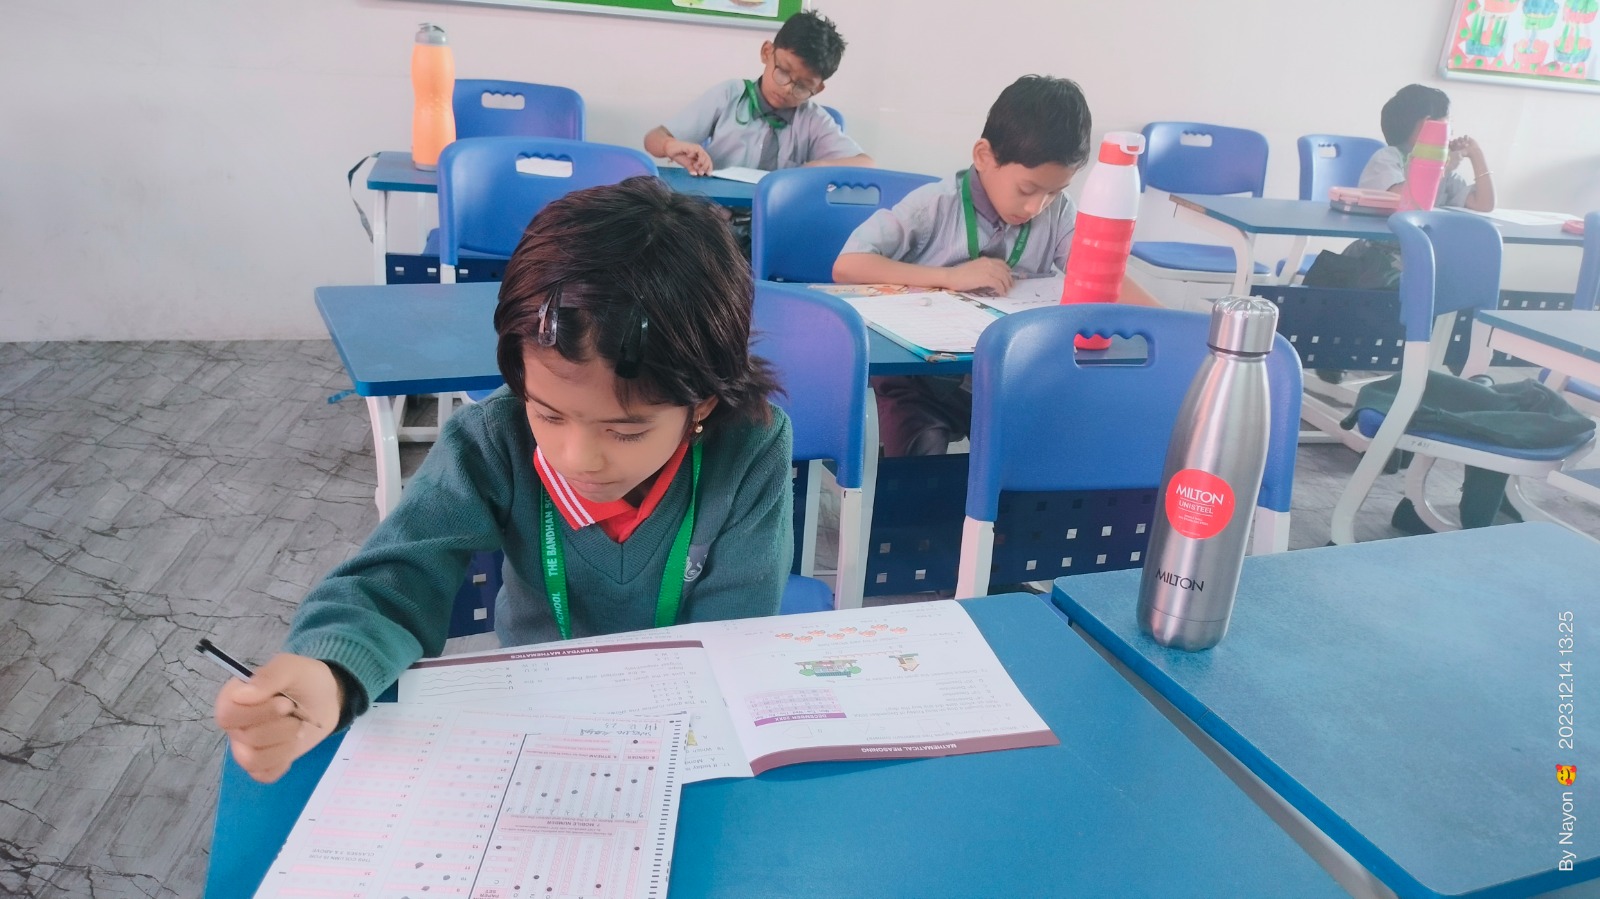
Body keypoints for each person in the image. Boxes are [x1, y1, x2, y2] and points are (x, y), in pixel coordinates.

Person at [216, 177, 794, 783]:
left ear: (702, 403)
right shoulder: (493, 440)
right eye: (548, 413)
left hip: (683, 722)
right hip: (534, 707)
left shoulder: (750, 448)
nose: (578, 457)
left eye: (625, 431)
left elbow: (731, 636)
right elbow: (398, 575)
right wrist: (330, 670)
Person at [832, 74, 1156, 456]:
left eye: (1055, 192)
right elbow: (848, 265)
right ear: (984, 156)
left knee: (1053, 438)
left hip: (1004, 376)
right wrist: (948, 277)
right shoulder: (933, 205)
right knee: (921, 449)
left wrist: (1170, 326)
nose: (1037, 206)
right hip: (919, 380)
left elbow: (1103, 275)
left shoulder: (1058, 215)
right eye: (1027, 189)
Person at [643, 10, 873, 176]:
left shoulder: (813, 120)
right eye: (783, 72)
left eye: (802, 86)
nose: (787, 89)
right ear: (767, 52)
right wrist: (670, 146)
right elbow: (654, 138)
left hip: (776, 217)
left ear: (817, 89)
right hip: (716, 215)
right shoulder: (729, 95)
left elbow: (866, 164)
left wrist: (817, 167)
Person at [1358, 84, 1495, 213]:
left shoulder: (1443, 169)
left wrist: (1476, 153)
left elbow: (1484, 204)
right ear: (1428, 124)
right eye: (1448, 122)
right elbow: (1401, 202)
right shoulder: (1386, 158)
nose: (1451, 131)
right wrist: (1443, 168)